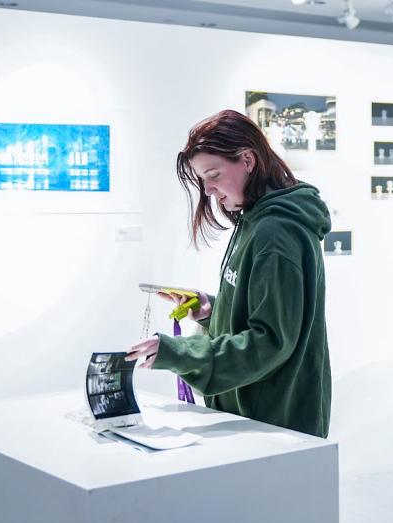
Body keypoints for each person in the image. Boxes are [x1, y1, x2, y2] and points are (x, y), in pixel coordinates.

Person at [125, 110, 333, 438]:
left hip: (276, 425)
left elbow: (270, 342)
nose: (208, 190)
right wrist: (210, 309)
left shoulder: (275, 233)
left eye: (214, 174)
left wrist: (179, 353)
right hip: (255, 416)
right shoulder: (255, 222)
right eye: (203, 179)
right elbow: (260, 310)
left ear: (248, 160)